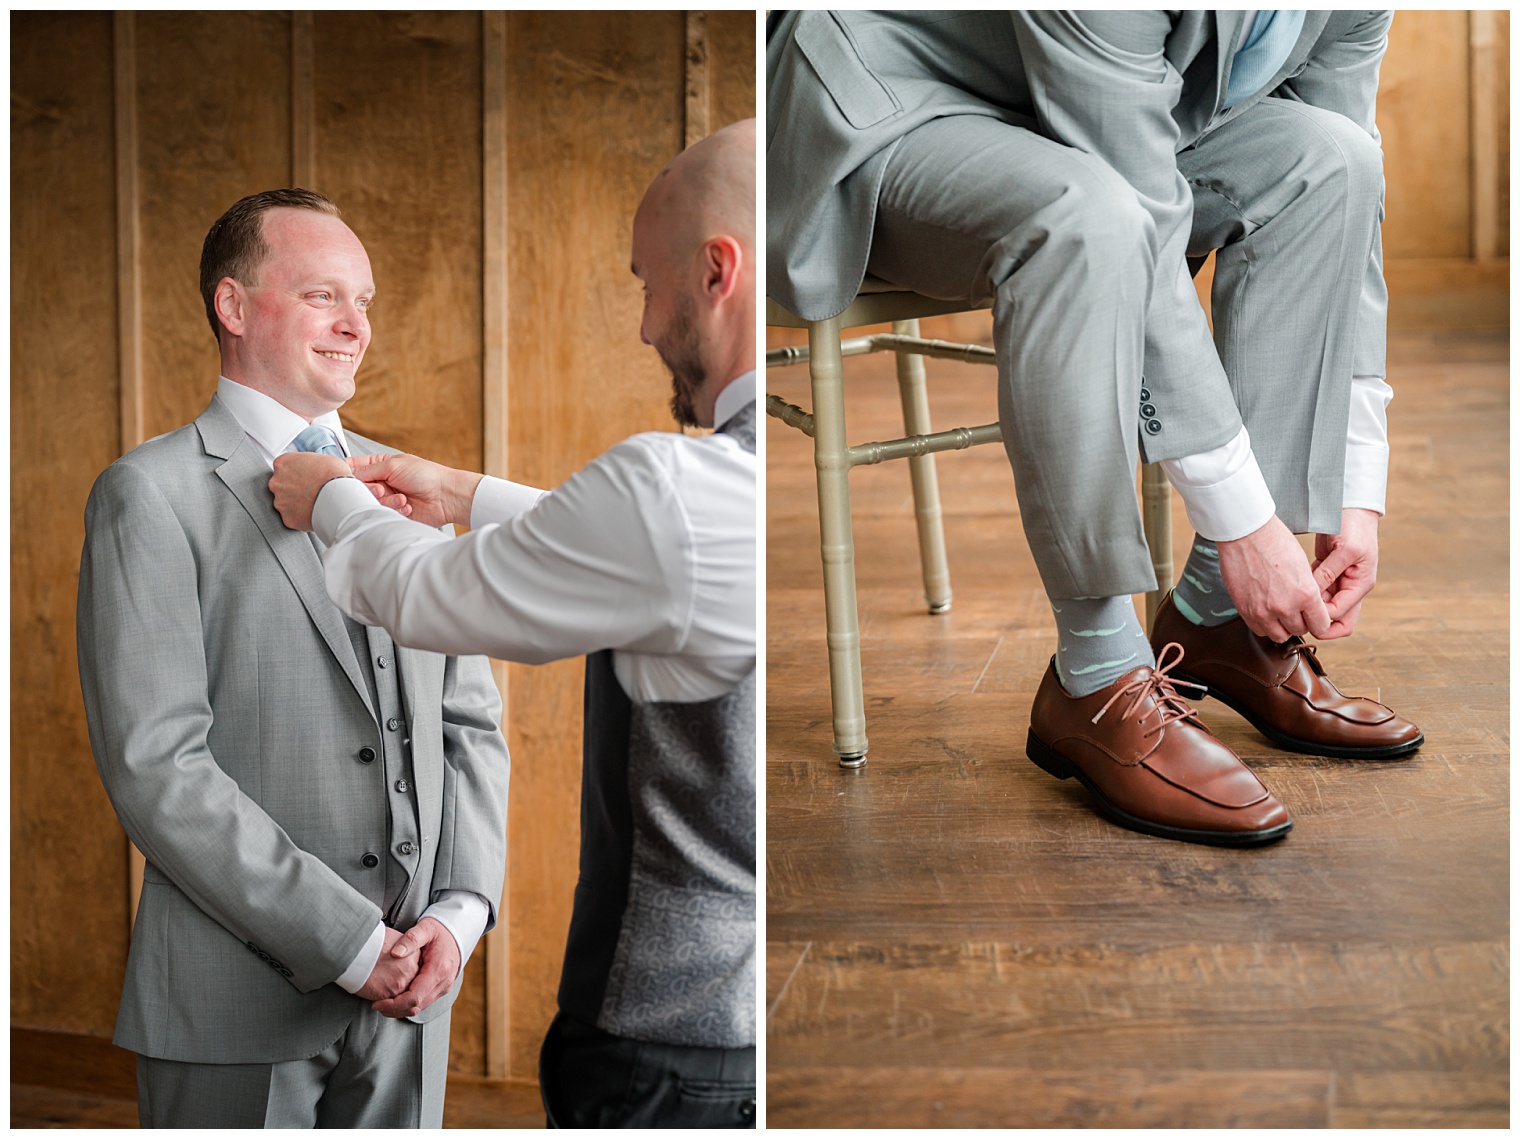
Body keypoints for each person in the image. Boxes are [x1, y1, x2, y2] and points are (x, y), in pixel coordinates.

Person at [767, 11, 1421, 846]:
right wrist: (1247, 522)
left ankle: (1224, 613)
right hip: (901, 99)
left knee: (1336, 159)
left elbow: (1354, 209)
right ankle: (1096, 670)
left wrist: (1357, 491)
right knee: (1090, 215)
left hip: (1105, 118)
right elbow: (1137, 213)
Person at [268, 118, 758, 1127]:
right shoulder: (750, 480)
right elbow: (669, 552)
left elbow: (423, 599)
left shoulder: (674, 484)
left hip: (664, 1042)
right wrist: (463, 492)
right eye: (325, 296)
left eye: (645, 284)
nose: (642, 325)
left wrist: (332, 498)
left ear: (717, 272)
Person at [76, 189, 510, 1128]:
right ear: (234, 308)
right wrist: (352, 943)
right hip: (234, 1003)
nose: (356, 326)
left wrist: (460, 912)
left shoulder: (411, 488)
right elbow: (158, 767)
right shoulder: (146, 496)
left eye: (366, 302)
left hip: (415, 1003)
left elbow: (468, 720)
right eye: (324, 297)